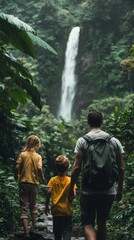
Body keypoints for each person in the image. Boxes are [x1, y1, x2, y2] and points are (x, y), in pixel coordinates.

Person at [68, 110, 125, 240]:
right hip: (109, 189)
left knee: (87, 223)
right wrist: (119, 190)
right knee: (102, 223)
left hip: (88, 189)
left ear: (88, 122)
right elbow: (121, 168)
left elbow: (76, 167)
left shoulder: (82, 141)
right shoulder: (114, 141)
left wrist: (71, 187)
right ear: (102, 121)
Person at [15, 135, 45, 239]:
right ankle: (34, 227)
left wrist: (18, 175)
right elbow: (40, 168)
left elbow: (17, 166)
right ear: (37, 145)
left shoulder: (22, 154)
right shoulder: (38, 156)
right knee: (33, 205)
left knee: (24, 207)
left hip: (23, 183)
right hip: (34, 183)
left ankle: (26, 232)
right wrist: (42, 177)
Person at [45, 155, 77, 240]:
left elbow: (48, 192)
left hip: (56, 211)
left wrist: (46, 205)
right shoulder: (70, 180)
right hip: (67, 211)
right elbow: (74, 194)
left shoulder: (52, 180)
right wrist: (70, 200)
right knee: (67, 231)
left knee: (57, 233)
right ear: (67, 168)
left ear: (56, 168)